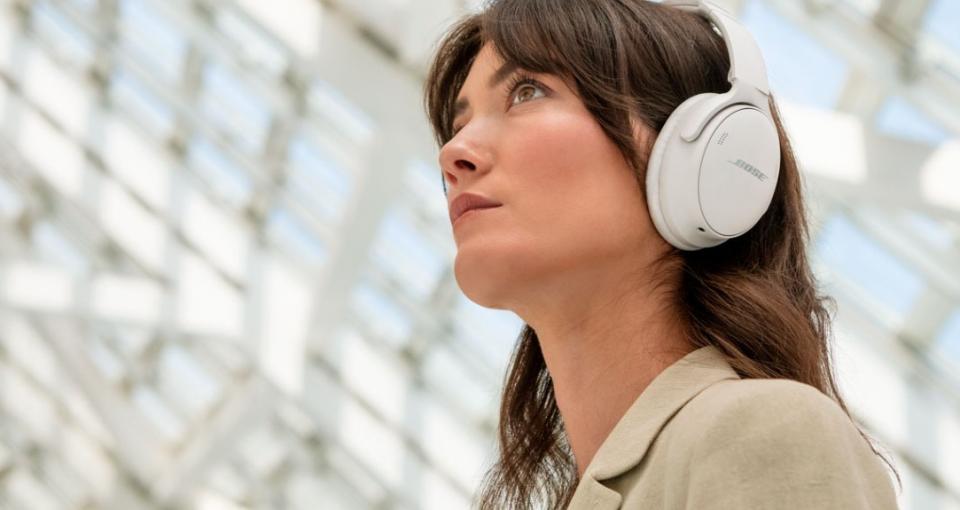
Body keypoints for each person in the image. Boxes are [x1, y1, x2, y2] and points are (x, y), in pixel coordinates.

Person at [422, 0, 901, 508]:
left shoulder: (765, 432)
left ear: (701, 159)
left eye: (527, 91)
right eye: (459, 123)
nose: (453, 152)